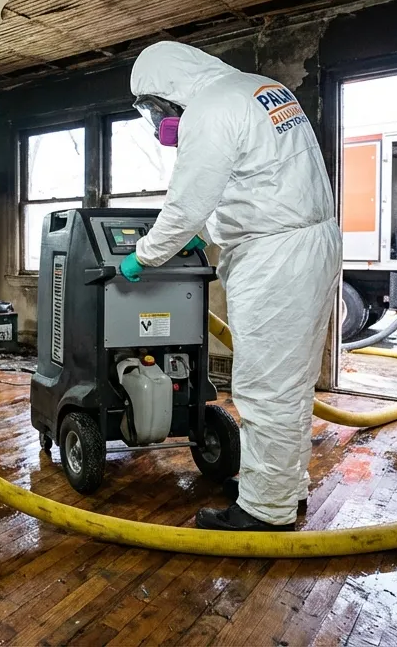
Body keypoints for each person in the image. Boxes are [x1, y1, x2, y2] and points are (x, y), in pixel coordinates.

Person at [120, 41, 341, 532]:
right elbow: (251, 182)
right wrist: (202, 234)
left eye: (155, 108)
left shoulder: (209, 109)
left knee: (265, 388)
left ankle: (264, 512)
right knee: (290, 385)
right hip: (310, 243)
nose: (159, 121)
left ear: (169, 88)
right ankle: (282, 487)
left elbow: (184, 206)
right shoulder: (258, 89)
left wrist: (143, 256)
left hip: (274, 256)